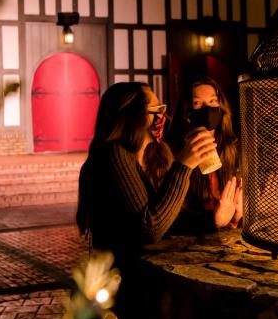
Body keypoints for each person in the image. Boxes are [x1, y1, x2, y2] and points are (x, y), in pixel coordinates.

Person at [76, 81, 217, 253]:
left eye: (162, 107)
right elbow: (149, 229)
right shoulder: (113, 153)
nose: (162, 116)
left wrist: (215, 219)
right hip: (120, 274)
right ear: (133, 115)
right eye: (156, 109)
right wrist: (183, 166)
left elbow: (167, 218)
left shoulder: (157, 154)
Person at [166, 76, 243, 234]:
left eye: (212, 101)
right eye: (197, 103)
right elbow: (167, 220)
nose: (207, 109)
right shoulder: (171, 153)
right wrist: (213, 221)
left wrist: (237, 217)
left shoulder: (232, 149)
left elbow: (233, 213)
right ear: (186, 112)